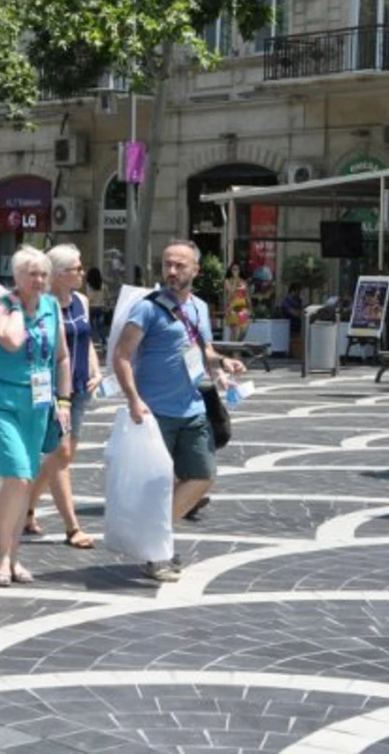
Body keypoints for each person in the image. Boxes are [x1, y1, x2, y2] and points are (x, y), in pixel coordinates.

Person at [113, 239, 247, 582]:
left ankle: (155, 537)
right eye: (167, 265)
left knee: (202, 477)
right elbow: (121, 355)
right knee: (158, 484)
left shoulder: (200, 307)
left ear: (195, 270)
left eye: (179, 266)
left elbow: (203, 350)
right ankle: (157, 549)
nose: (171, 272)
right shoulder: (147, 309)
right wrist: (132, 398)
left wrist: (222, 363)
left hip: (192, 407)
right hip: (154, 413)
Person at [0, 245, 71, 586]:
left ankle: (14, 556)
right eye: (32, 274)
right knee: (17, 476)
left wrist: (64, 401)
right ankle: (0, 555)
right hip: (0, 399)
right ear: (16, 277)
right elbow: (12, 341)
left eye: (44, 274)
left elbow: (61, 357)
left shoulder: (51, 307)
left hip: (38, 403)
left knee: (27, 481)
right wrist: (18, 306)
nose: (40, 280)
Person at [24, 245, 99, 549]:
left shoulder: (81, 300)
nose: (82, 273)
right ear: (58, 274)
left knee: (59, 456)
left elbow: (86, 338)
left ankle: (26, 509)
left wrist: (96, 369)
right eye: (76, 269)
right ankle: (72, 527)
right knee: (62, 455)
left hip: (80, 385)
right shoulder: (43, 304)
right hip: (53, 389)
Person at [224, 262, 250, 342]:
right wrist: (236, 283)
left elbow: (247, 296)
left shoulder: (243, 281)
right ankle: (234, 351)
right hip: (232, 307)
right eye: (233, 269)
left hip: (242, 307)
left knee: (244, 330)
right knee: (234, 331)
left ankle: (235, 347)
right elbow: (231, 293)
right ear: (231, 270)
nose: (235, 271)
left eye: (237, 269)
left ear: (240, 270)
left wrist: (250, 308)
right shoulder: (228, 281)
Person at [86, 267, 107, 346]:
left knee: (89, 325)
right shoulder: (102, 285)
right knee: (100, 326)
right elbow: (106, 296)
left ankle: (89, 341)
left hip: (91, 307)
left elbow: (89, 297)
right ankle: (104, 341)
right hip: (100, 307)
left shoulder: (89, 285)